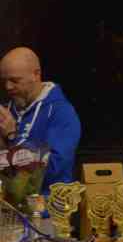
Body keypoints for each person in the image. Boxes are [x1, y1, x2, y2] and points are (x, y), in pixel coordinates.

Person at [0, 47, 82, 192]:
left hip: (47, 202)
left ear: (36, 74)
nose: (8, 87)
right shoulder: (7, 111)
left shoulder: (61, 113)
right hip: (9, 200)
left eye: (14, 80)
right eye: (4, 80)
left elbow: (53, 169)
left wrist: (12, 137)